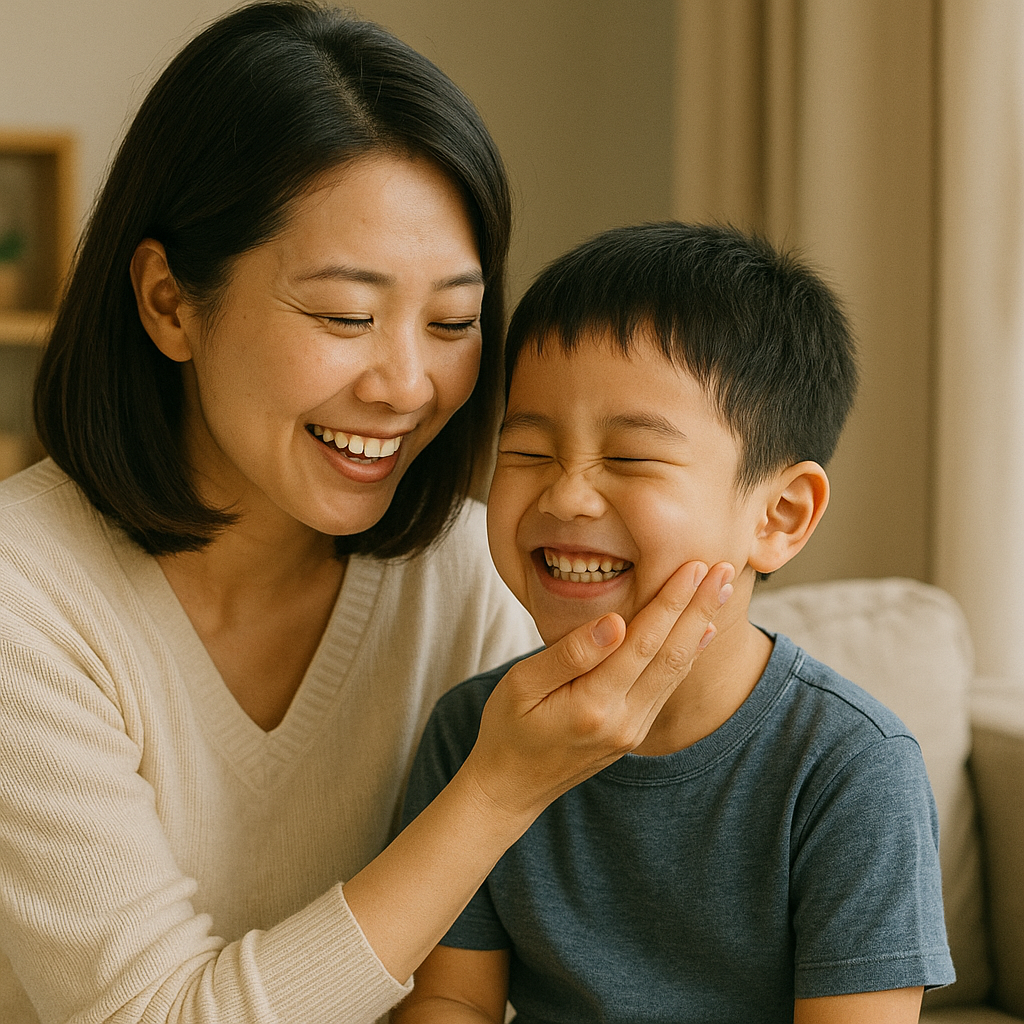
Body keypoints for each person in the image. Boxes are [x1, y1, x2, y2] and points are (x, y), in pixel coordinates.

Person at [0, 8, 735, 1024]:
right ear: (169, 302)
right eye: (345, 315)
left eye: (452, 323)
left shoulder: (467, 577)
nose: (406, 385)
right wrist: (493, 792)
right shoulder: (24, 598)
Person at [396, 223, 956, 1023]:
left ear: (779, 516)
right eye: (526, 452)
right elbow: (450, 999)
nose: (565, 496)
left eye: (629, 459)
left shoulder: (853, 767)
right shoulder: (476, 735)